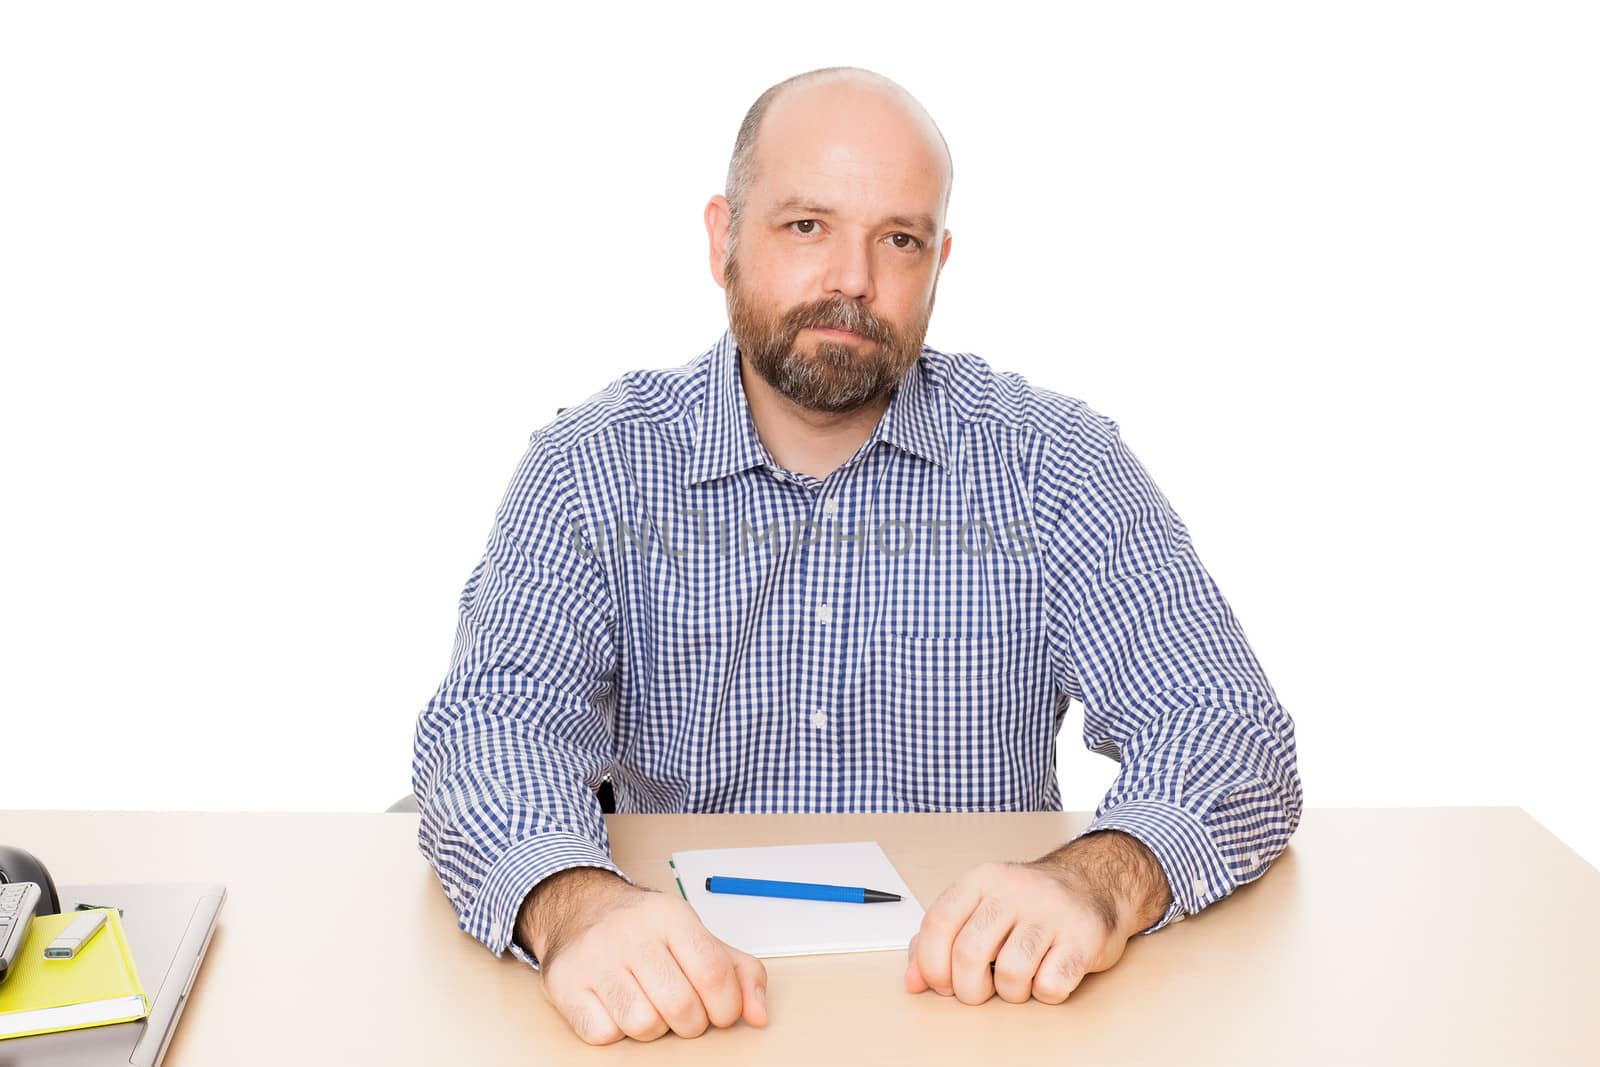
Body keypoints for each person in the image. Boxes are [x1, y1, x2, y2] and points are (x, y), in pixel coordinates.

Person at [410, 64, 1303, 1046]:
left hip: (985, 1011)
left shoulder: (1053, 464)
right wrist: (575, 902)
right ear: (722, 237)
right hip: (676, 1010)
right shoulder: (594, 467)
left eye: (900, 239)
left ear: (939, 260)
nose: (852, 278)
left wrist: (1101, 875)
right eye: (806, 226)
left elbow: (1225, 722)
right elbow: (490, 730)